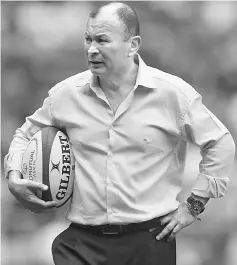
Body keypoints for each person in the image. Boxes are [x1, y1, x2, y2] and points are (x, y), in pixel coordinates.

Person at [5, 2, 235, 265]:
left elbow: (221, 143)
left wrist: (193, 206)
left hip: (150, 242)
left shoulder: (173, 94)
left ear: (133, 45)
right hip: (81, 244)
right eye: (88, 39)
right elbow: (24, 136)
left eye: (102, 40)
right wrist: (14, 175)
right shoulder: (64, 95)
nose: (92, 49)